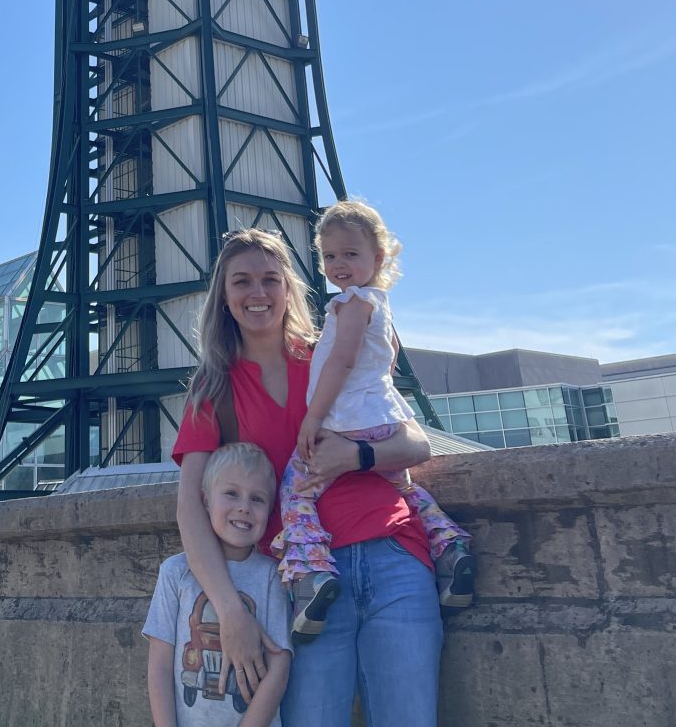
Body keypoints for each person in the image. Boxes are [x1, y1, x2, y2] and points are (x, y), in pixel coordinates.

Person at [172, 226, 443, 727]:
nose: (258, 294)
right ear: (223, 296)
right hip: (305, 586)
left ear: (289, 286)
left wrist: (353, 456)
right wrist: (230, 611)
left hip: (393, 555)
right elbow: (190, 504)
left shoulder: (334, 352)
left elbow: (417, 444)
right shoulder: (213, 389)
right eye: (242, 282)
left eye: (271, 280)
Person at [273, 200, 475, 641]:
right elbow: (389, 359)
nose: (338, 264)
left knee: (296, 489)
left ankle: (311, 573)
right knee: (402, 486)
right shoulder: (380, 305)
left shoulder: (350, 306)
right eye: (329, 256)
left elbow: (342, 361)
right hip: (382, 417)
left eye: (350, 254)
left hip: (346, 421)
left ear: (378, 258)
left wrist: (314, 417)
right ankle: (448, 546)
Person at [143, 442, 292, 726]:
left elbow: (279, 666)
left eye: (257, 499)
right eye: (231, 494)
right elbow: (160, 665)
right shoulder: (175, 572)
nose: (244, 507)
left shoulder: (272, 576)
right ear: (205, 501)